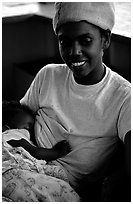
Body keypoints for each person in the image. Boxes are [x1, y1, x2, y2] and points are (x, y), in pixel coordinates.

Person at [20, 2, 131, 201]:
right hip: (24, 162)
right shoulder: (48, 75)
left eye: (86, 40)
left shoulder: (124, 97)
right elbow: (18, 119)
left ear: (105, 40)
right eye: (65, 42)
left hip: (62, 188)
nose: (74, 51)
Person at [2, 100, 71, 162]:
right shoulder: (11, 135)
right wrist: (58, 152)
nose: (30, 130)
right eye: (28, 125)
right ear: (7, 128)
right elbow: (35, 153)